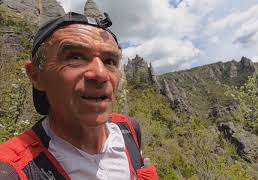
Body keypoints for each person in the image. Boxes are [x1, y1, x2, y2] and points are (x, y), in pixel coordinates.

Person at [0, 12, 158, 180]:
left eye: (110, 61)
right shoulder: (12, 170)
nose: (100, 73)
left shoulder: (128, 129)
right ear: (36, 76)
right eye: (75, 57)